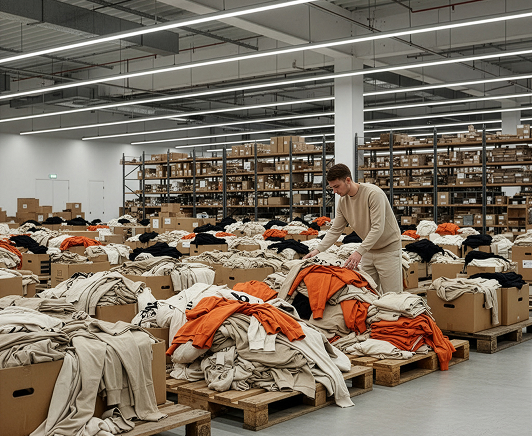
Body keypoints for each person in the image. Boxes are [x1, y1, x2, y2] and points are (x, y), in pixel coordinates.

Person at [303, 163, 402, 293]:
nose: (334, 192)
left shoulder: (373, 194)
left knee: (393, 297)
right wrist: (317, 250)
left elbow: (377, 228)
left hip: (388, 250)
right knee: (368, 294)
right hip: (368, 250)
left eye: (337, 186)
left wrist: (359, 252)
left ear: (348, 180)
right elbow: (335, 230)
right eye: (332, 188)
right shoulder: (343, 202)